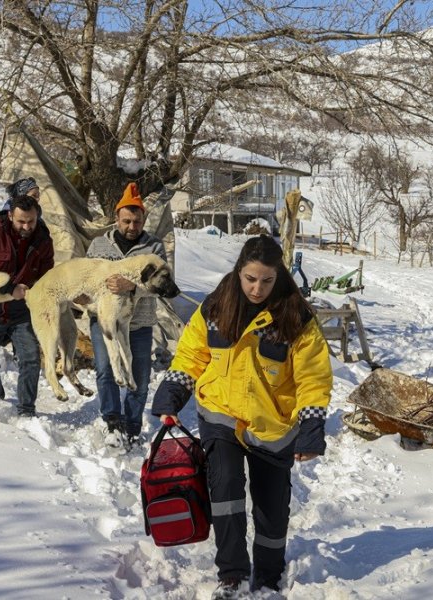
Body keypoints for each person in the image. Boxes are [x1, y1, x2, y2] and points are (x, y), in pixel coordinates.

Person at [152, 235, 333, 599]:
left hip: (272, 425)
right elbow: (191, 355)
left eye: (267, 280)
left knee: (271, 509)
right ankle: (231, 573)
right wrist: (171, 395)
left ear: (278, 276)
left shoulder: (295, 317)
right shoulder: (217, 306)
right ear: (239, 271)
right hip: (221, 414)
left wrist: (311, 429)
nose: (257, 288)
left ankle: (267, 577)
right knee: (225, 490)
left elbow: (313, 378)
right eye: (250, 278)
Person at [86, 182, 168, 449]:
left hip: (139, 323)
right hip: (105, 321)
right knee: (105, 371)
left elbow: (164, 285)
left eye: (137, 221)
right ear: (116, 218)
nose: (132, 227)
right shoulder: (99, 244)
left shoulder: (153, 248)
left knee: (140, 377)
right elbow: (87, 277)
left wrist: (133, 286)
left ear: (144, 219)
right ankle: (112, 421)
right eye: (127, 221)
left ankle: (132, 425)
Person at [0, 194, 54, 417]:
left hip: (21, 312)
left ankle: (26, 409)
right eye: (21, 221)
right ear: (10, 215)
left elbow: (47, 275)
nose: (26, 226)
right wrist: (9, 289)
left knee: (31, 358)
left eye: (31, 221)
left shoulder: (43, 239)